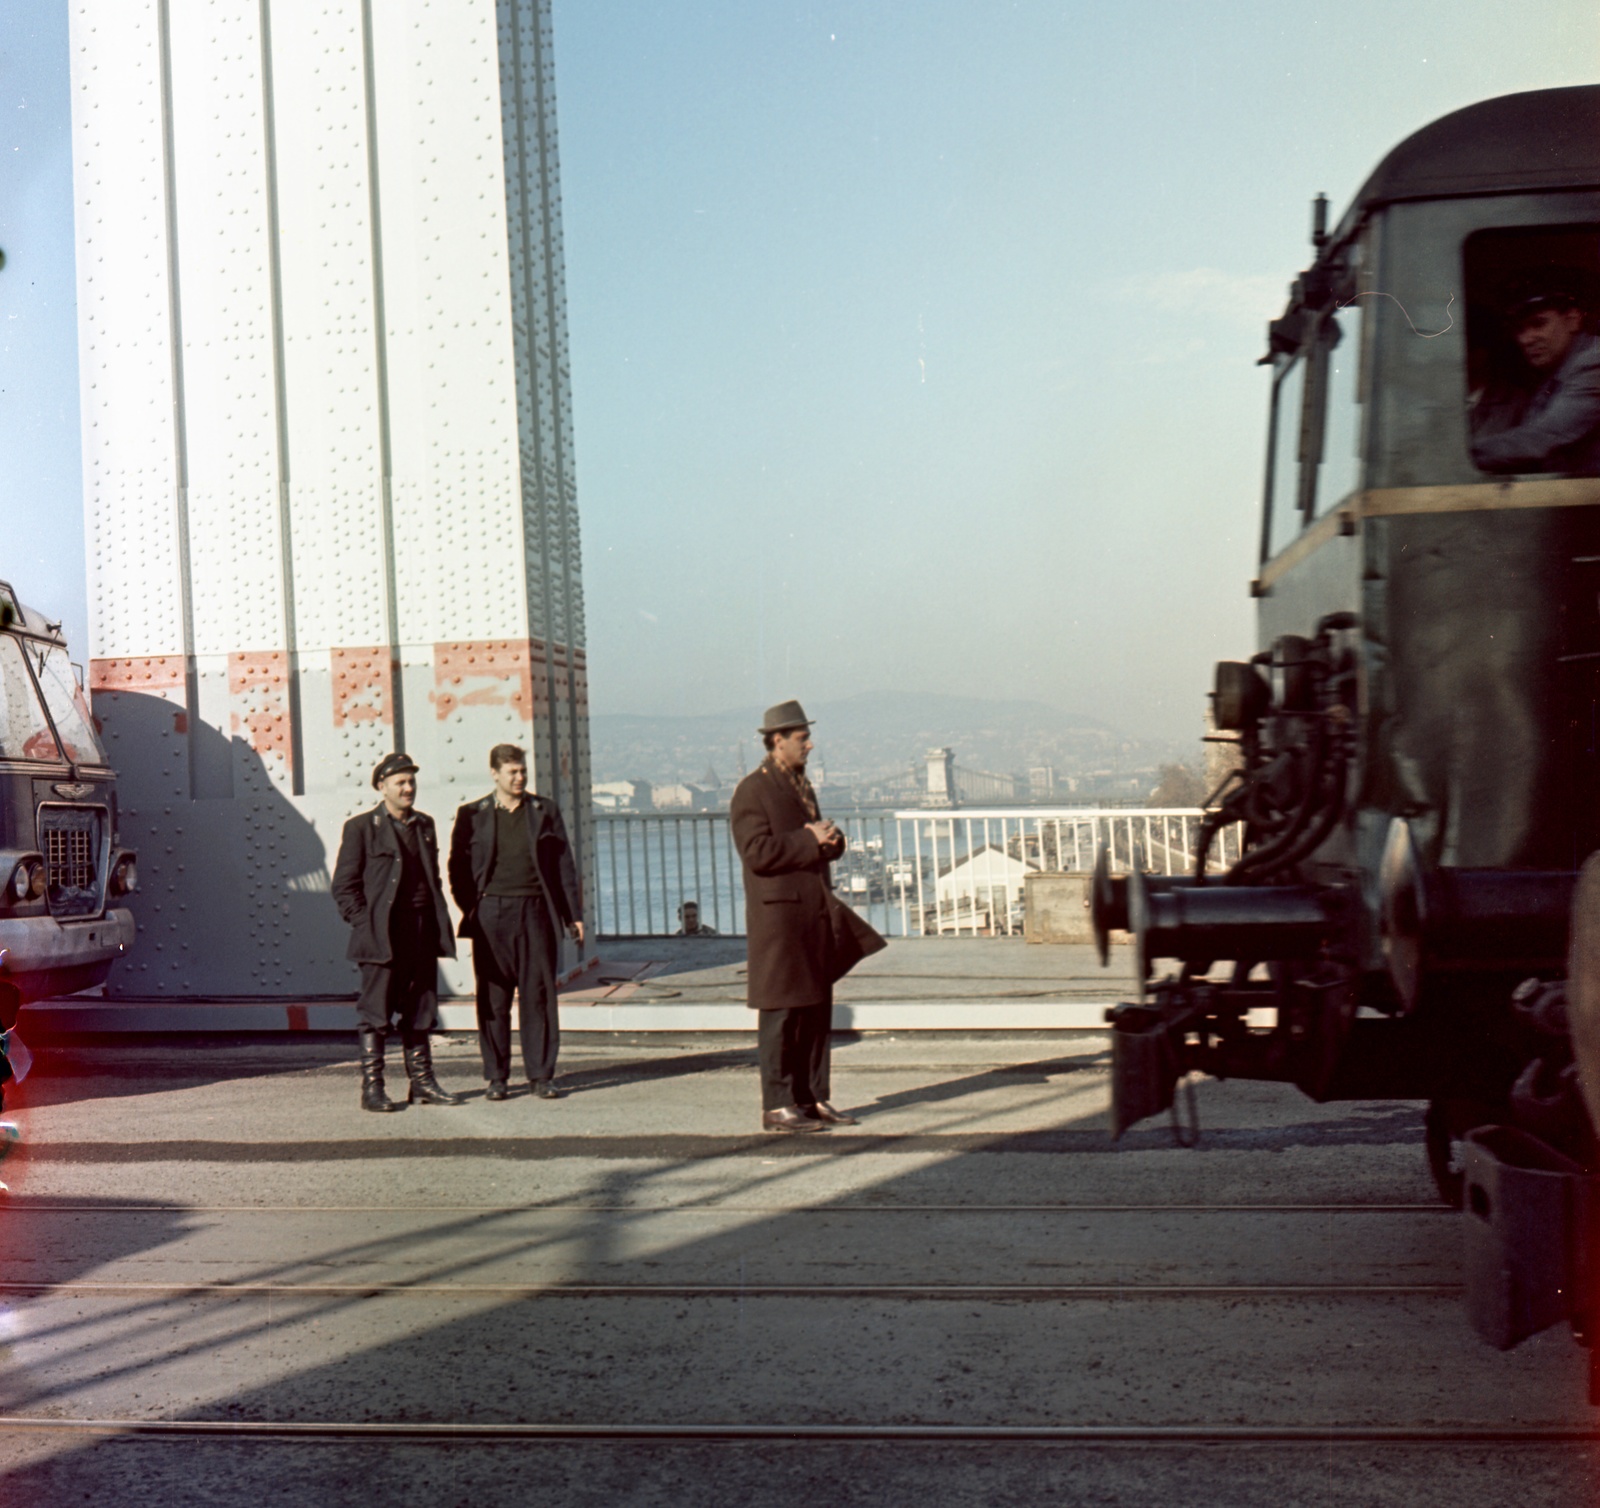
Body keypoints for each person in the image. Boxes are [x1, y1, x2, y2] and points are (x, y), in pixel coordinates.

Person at [730, 700, 884, 1132]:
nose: (810, 745)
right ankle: (778, 1105)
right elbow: (756, 852)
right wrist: (806, 838)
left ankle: (813, 1098)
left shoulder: (800, 787)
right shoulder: (752, 790)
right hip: (779, 922)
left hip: (811, 915)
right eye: (802, 738)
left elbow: (809, 843)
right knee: (781, 1012)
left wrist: (830, 842)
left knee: (816, 1009)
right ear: (777, 741)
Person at [449, 744, 584, 1102]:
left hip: (536, 912)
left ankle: (541, 1076)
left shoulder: (544, 812)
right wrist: (472, 910)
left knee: (538, 996)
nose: (520, 778)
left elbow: (563, 867)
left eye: (522, 771)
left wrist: (574, 915)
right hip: (491, 915)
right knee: (493, 999)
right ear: (495, 773)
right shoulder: (471, 815)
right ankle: (497, 1077)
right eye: (512, 772)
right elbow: (456, 870)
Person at [331, 753, 466, 1112]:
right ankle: (372, 1089)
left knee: (421, 1010)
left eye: (411, 782)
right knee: (375, 1013)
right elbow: (344, 885)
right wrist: (365, 922)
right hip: (382, 935)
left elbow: (433, 878)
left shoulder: (425, 824)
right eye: (400, 783)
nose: (408, 789)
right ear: (382, 787)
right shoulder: (361, 828)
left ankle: (422, 1084)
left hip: (421, 930)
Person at [1470, 275, 1600, 477]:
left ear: (1573, 320)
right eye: (1519, 329)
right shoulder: (1554, 375)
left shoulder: (1593, 363)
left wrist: (1458, 456)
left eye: (1538, 324)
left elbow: (1544, 437)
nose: (1525, 339)